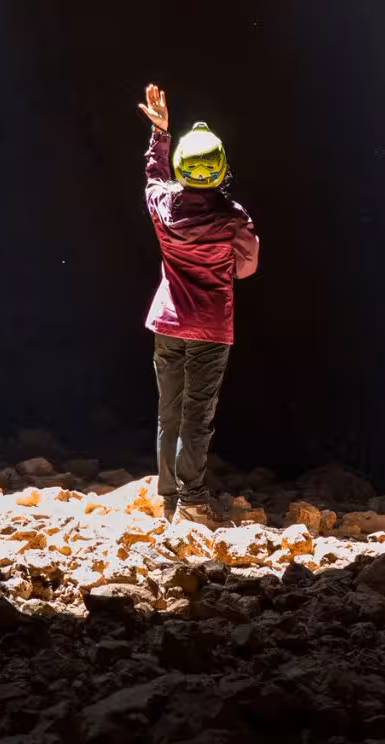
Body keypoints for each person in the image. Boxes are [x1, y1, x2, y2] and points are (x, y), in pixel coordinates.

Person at [136, 83, 259, 525]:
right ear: (221, 168)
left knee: (169, 411)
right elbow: (247, 267)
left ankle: (168, 495)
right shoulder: (233, 218)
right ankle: (193, 501)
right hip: (210, 328)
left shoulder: (163, 207)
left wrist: (160, 134)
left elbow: (153, 177)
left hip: (168, 321)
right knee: (197, 416)